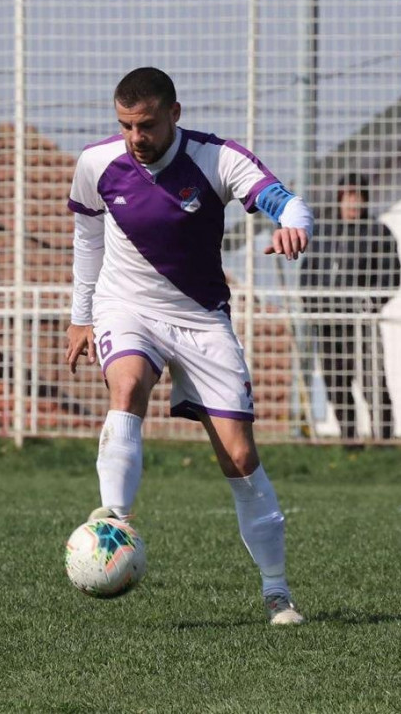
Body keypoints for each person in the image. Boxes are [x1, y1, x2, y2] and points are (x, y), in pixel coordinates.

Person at [65, 67, 314, 625]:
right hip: (126, 306)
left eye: (147, 125)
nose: (136, 137)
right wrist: (81, 317)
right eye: (126, 125)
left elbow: (288, 203)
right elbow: (87, 239)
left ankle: (276, 591)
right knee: (127, 385)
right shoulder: (96, 164)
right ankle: (113, 522)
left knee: (240, 457)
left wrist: (293, 226)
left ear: (174, 114)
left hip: (201, 319)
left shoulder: (217, 158)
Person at [299, 173, 401, 444]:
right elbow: (308, 274)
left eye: (358, 196)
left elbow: (391, 277)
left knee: (372, 381)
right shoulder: (323, 232)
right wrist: (312, 308)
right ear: (340, 198)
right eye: (348, 196)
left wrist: (370, 304)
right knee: (335, 383)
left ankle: (384, 440)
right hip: (328, 323)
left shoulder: (378, 233)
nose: (353, 202)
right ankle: (349, 440)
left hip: (361, 322)